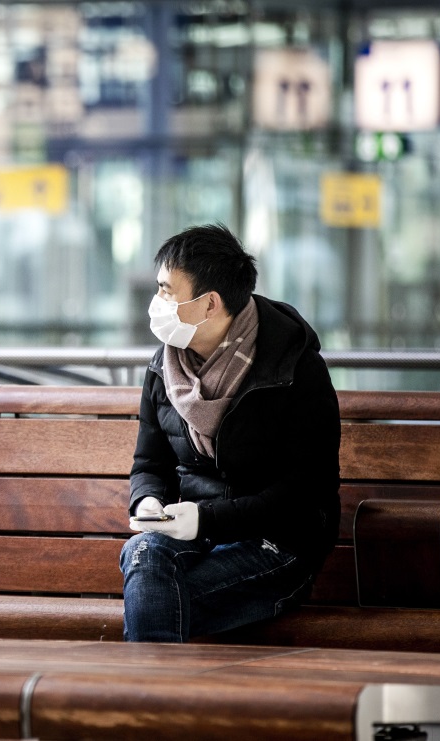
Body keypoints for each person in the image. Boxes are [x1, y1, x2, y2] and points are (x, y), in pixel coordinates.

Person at [120, 223, 340, 642]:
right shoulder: (164, 366)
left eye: (168, 290)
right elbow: (150, 462)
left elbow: (305, 489)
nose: (157, 301)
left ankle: (144, 700)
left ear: (210, 304)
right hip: (195, 534)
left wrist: (206, 518)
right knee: (142, 552)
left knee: (157, 601)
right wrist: (149, 500)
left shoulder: (293, 368)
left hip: (281, 543)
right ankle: (155, 699)